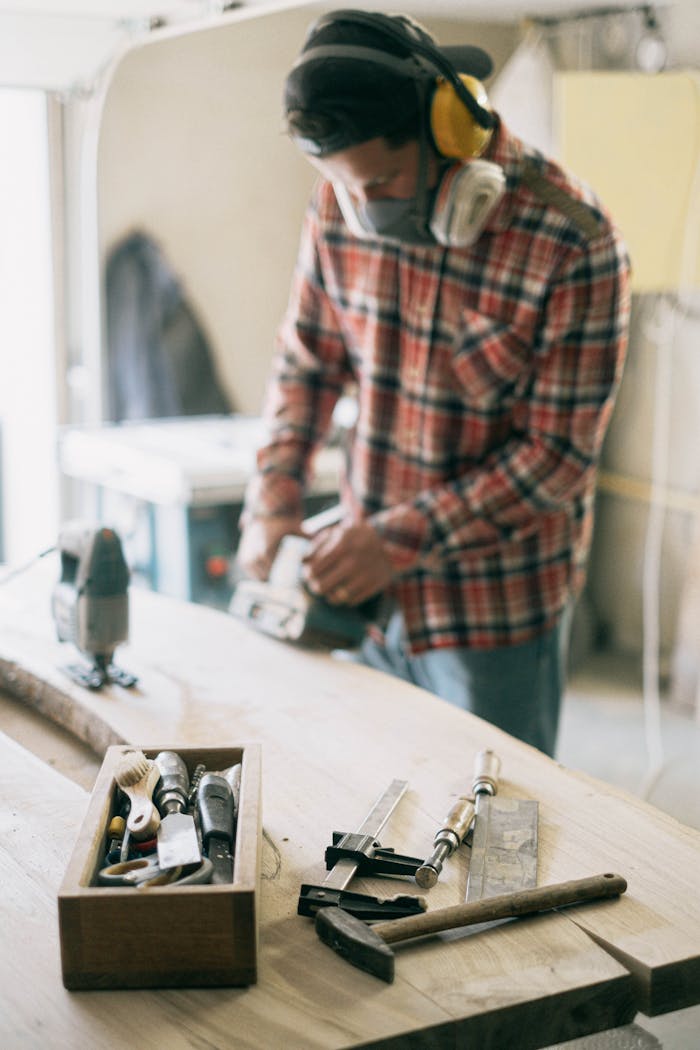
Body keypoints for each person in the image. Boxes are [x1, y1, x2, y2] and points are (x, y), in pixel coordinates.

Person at [237, 9, 631, 756]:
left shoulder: (574, 241)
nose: (363, 210)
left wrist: (397, 540)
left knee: (500, 835)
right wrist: (272, 501)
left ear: (448, 129)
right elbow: (306, 365)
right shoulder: (338, 205)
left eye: (381, 180)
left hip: (493, 615)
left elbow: (555, 456)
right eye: (342, 185)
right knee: (369, 806)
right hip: (364, 596)